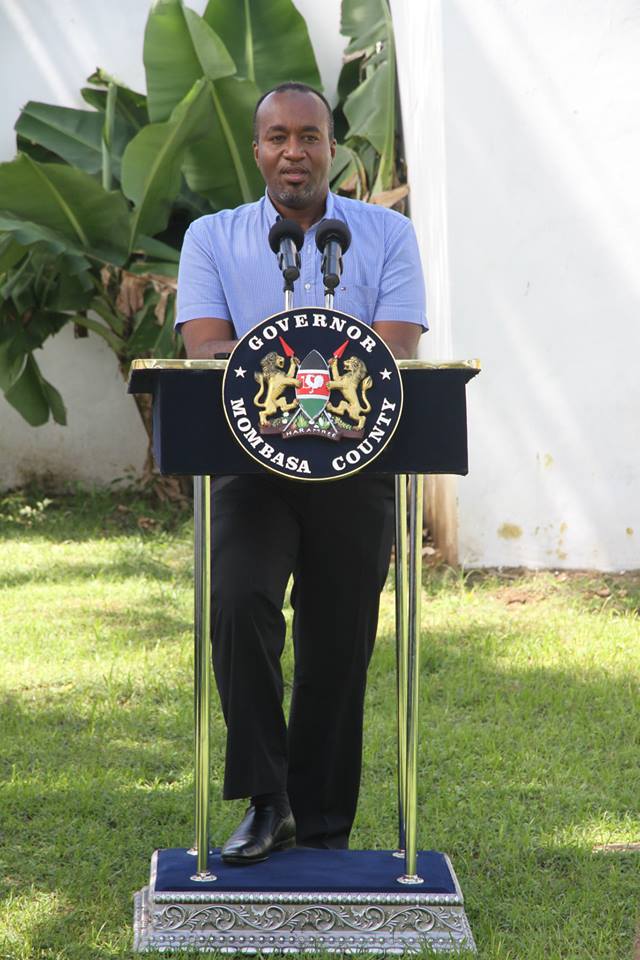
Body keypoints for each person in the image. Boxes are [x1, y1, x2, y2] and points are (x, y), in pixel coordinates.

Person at [176, 82, 427, 864]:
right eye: (278, 137)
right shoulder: (213, 239)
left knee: (337, 641)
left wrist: (265, 355)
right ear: (256, 150)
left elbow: (396, 351)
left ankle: (321, 826)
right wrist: (294, 354)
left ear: (332, 147)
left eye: (310, 137)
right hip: (250, 463)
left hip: (355, 465)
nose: (295, 152)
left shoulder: (388, 236)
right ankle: (267, 798)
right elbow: (204, 348)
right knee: (238, 603)